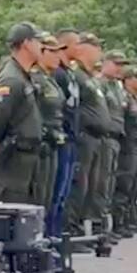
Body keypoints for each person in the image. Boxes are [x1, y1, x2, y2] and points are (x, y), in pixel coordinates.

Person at [0, 23, 46, 204]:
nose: (41, 46)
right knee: (14, 204)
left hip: (28, 153)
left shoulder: (24, 75)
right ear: (26, 43)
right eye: (38, 41)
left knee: (27, 210)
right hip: (15, 154)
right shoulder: (11, 78)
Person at [64, 32, 110, 235]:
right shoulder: (77, 75)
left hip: (96, 138)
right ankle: (72, 229)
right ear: (83, 48)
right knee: (78, 184)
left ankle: (81, 225)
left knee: (92, 186)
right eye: (95, 47)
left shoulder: (90, 77)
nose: (99, 52)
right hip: (84, 137)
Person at [48, 29, 82, 236]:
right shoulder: (58, 75)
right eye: (76, 44)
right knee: (56, 192)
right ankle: (52, 234)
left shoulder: (69, 73)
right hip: (62, 138)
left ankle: (58, 235)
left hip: (71, 138)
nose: (80, 48)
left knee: (64, 192)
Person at [112, 68, 137, 235]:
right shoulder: (124, 98)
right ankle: (118, 223)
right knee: (124, 185)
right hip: (129, 147)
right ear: (128, 80)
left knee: (135, 185)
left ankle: (129, 217)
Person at [33, 33, 69, 215]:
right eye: (52, 52)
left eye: (59, 52)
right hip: (41, 143)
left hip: (55, 141)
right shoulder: (35, 79)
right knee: (40, 194)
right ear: (41, 52)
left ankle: (49, 235)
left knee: (52, 193)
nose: (57, 56)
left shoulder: (51, 79)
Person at [98, 51, 130, 241]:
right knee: (102, 185)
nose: (119, 68)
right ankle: (100, 229)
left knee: (111, 183)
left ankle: (109, 226)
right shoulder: (100, 84)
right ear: (106, 62)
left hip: (117, 138)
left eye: (122, 65)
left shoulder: (117, 86)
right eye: (116, 64)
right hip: (105, 138)